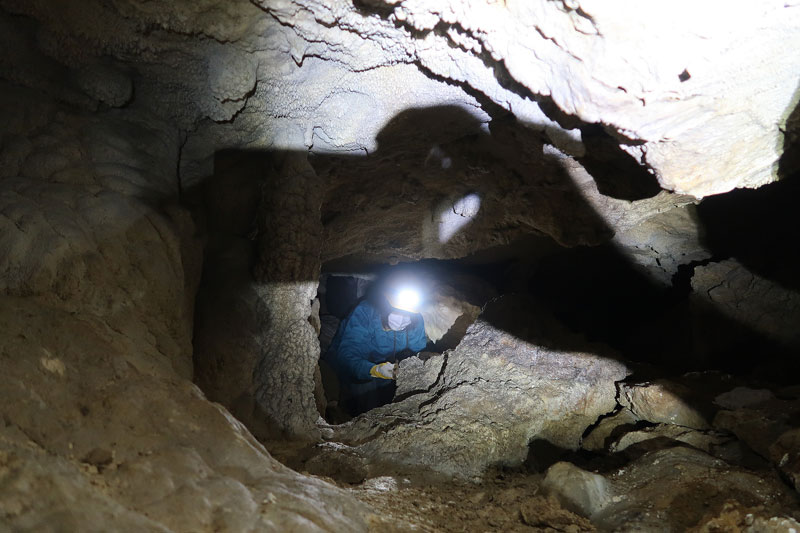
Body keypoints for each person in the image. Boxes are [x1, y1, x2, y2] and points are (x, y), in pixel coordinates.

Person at [326, 279, 428, 415]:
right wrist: (375, 370)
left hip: (388, 370)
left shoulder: (415, 320)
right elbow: (347, 356)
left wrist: (424, 359)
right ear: (385, 306)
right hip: (356, 369)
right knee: (368, 400)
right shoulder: (365, 313)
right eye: (398, 311)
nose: (404, 319)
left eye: (408, 314)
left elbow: (418, 350)